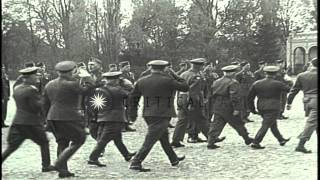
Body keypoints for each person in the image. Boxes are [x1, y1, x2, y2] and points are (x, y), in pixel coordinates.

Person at [128, 60, 188, 172]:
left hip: (148, 113)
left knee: (163, 136)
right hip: (163, 114)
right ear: (165, 68)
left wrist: (133, 113)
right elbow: (185, 87)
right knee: (151, 139)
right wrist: (175, 74)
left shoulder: (142, 81)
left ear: (151, 68)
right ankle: (136, 162)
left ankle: (173, 159)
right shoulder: (168, 80)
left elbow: (133, 98)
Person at [2, 67, 55, 172]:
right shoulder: (31, 90)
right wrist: (44, 100)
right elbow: (36, 107)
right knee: (44, 142)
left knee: (11, 147)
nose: (37, 77)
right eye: (35, 75)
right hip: (31, 123)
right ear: (29, 77)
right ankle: (46, 165)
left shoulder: (17, 88)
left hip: (18, 121)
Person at [44, 61, 92, 178]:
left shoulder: (49, 84)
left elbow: (45, 104)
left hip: (52, 117)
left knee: (62, 142)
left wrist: (46, 119)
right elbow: (87, 91)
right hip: (67, 117)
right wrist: (87, 77)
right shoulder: (72, 84)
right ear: (72, 72)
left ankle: (63, 171)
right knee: (80, 138)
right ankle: (59, 163)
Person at [87, 71, 136, 166]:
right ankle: (93, 158)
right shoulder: (118, 90)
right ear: (115, 80)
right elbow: (130, 94)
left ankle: (126, 154)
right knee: (103, 140)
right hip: (115, 118)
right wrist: (125, 84)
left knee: (117, 138)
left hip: (102, 117)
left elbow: (95, 105)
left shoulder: (100, 89)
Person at [207, 65, 253, 149]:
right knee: (238, 123)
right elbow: (234, 96)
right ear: (232, 73)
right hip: (229, 106)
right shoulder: (233, 82)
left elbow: (211, 94)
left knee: (216, 124)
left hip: (218, 105)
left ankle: (210, 142)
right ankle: (247, 138)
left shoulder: (216, 81)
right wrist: (236, 108)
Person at [248, 65, 291, 149]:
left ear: (265, 73)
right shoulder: (278, 84)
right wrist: (288, 82)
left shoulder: (257, 83)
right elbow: (289, 89)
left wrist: (252, 109)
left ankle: (281, 139)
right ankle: (256, 142)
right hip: (273, 107)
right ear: (275, 74)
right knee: (266, 124)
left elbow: (250, 98)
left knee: (272, 124)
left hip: (261, 107)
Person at [171, 58, 209, 148]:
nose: (203, 67)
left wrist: (179, 101)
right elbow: (193, 91)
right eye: (202, 65)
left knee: (182, 120)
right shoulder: (196, 76)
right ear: (198, 66)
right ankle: (212, 137)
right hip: (192, 100)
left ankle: (176, 140)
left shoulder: (184, 74)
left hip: (182, 99)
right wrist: (192, 103)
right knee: (201, 119)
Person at [287, 58, 318, 153]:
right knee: (311, 123)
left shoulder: (301, 75)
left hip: (307, 102)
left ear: (311, 64)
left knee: (315, 122)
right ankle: (300, 145)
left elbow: (294, 90)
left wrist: (289, 102)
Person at [119, 61, 137, 132]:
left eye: (129, 66)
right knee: (122, 109)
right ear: (121, 68)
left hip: (130, 94)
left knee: (128, 109)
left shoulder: (130, 74)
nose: (128, 68)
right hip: (122, 94)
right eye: (126, 67)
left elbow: (132, 83)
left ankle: (127, 124)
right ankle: (122, 126)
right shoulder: (119, 75)